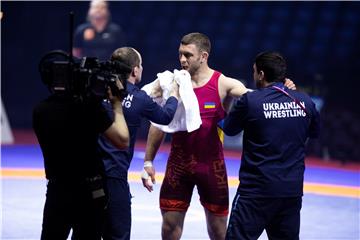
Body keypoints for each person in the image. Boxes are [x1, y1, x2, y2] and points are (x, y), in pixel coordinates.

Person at [142, 32, 295, 240]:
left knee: (218, 232)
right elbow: (159, 123)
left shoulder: (222, 83)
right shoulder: (172, 83)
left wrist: (282, 91)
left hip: (212, 168)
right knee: (169, 228)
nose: (182, 60)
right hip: (178, 167)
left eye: (188, 55)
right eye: (180, 54)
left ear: (204, 56)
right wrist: (148, 161)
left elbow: (256, 98)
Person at [223, 51, 320, 240]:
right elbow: (314, 133)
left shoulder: (251, 101)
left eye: (254, 71)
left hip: (255, 193)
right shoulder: (305, 102)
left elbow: (229, 128)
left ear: (260, 74)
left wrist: (220, 104)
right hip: (290, 193)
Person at [33, 71, 130, 239]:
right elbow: (122, 140)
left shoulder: (40, 110)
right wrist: (117, 105)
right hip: (90, 191)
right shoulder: (89, 108)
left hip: (58, 189)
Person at [99, 47, 180, 240]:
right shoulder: (138, 98)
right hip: (114, 177)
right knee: (118, 235)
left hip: (86, 176)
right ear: (135, 70)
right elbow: (165, 117)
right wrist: (173, 94)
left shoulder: (95, 90)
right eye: (140, 65)